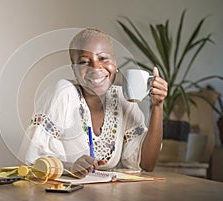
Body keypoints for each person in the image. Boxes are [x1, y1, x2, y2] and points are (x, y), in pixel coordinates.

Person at [18, 28, 168, 178]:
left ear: (115, 64)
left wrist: (158, 105)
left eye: (103, 58)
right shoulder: (64, 93)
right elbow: (33, 162)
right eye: (84, 62)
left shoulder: (123, 99)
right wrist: (70, 167)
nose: (96, 67)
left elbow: (147, 164)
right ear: (74, 70)